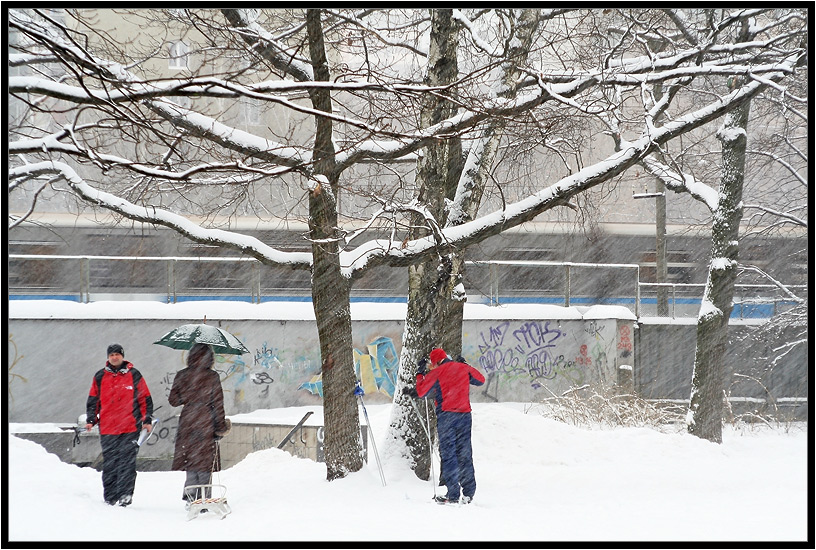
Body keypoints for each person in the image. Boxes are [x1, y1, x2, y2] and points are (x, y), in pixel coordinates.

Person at [86, 343, 154, 507]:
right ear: (108, 358)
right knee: (110, 462)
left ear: (122, 356)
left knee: (127, 462)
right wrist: (90, 420)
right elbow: (93, 400)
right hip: (108, 428)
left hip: (130, 427)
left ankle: (125, 494)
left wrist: (147, 420)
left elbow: (144, 398)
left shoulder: (134, 374)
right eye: (112, 355)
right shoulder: (100, 377)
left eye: (117, 354)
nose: (115, 357)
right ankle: (110, 496)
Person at [416, 347, 485, 505]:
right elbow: (480, 380)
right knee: (465, 454)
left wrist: (420, 373)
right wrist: (466, 364)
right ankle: (469, 493)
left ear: (436, 362)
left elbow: (421, 392)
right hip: (465, 416)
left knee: (449, 455)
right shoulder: (462, 368)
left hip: (447, 416)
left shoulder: (437, 372)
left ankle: (453, 494)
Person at [168, 343, 230, 508]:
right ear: (210, 358)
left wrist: (186, 396)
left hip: (188, 420)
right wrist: (220, 427)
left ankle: (191, 496)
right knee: (204, 460)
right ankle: (204, 497)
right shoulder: (212, 377)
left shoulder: (182, 375)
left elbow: (173, 401)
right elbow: (218, 404)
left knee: (191, 459)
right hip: (206, 421)